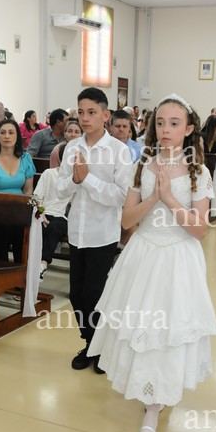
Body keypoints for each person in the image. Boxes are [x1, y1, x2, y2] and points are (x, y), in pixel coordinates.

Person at [87, 93, 216, 432]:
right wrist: (154, 198)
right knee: (142, 326)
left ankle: (154, 406)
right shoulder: (142, 166)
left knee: (168, 331)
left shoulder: (199, 171)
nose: (165, 129)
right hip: (143, 254)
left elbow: (200, 229)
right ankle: (149, 397)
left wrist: (171, 198)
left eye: (174, 123)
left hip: (178, 257)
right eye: (160, 122)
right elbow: (126, 221)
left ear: (189, 129)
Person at [57, 87, 132, 373]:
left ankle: (101, 348)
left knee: (95, 294)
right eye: (81, 112)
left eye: (91, 112)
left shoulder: (118, 151)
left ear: (105, 115)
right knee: (76, 295)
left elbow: (120, 196)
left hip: (103, 234)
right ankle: (91, 343)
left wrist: (87, 179)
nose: (85, 118)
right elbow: (61, 188)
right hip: (77, 231)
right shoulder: (72, 148)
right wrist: (75, 181)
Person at [0, 119, 36, 261]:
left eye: (11, 132)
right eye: (2, 133)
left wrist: (21, 210)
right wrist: (4, 211)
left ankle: (20, 269)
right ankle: (0, 268)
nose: (7, 136)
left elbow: (28, 190)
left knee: (20, 227)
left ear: (17, 136)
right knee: (5, 227)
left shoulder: (25, 158)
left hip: (19, 210)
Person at [34, 143, 71, 280]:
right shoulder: (49, 174)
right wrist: (41, 213)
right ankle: (31, 265)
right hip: (44, 212)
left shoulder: (76, 179)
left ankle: (43, 263)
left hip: (62, 216)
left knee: (54, 227)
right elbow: (37, 197)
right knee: (38, 224)